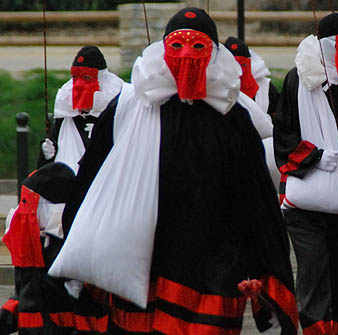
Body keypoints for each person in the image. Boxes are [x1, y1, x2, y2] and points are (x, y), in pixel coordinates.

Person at [50, 7, 298, 335]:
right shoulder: (132, 108)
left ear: (213, 55)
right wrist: (78, 230)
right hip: (148, 253)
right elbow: (94, 174)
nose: (186, 57)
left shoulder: (232, 117)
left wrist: (260, 263)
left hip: (215, 257)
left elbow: (254, 194)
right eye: (177, 46)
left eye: (198, 47)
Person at [273, 12, 338, 334]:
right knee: (313, 271)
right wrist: (314, 157)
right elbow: (284, 135)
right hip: (307, 206)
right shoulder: (296, 81)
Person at [0, 162, 109, 334]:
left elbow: (90, 314)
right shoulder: (35, 247)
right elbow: (28, 295)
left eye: (27, 203)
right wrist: (6, 316)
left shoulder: (73, 253)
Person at [39, 46, 123, 173]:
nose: (78, 86)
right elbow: (48, 173)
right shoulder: (65, 117)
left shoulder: (117, 111)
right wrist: (47, 157)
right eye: (74, 78)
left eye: (86, 78)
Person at [224, 36, 281, 189]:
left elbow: (280, 120)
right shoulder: (218, 89)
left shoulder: (266, 88)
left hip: (264, 153)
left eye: (243, 64)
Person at [224, 36, 280, 119]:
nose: (239, 71)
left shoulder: (265, 88)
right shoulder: (215, 87)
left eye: (242, 65)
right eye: (233, 65)